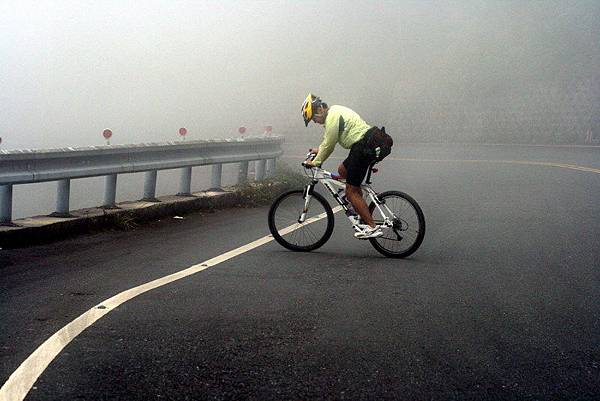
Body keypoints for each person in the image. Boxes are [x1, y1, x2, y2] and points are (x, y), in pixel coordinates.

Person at [301, 93, 393, 239]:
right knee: (342, 170)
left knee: (351, 191)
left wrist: (315, 162)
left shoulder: (332, 117)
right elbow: (328, 141)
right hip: (366, 144)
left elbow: (329, 144)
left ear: (319, 109)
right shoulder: (335, 112)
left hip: (362, 147)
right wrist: (319, 150)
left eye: (313, 118)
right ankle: (358, 206)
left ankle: (371, 226)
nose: (315, 122)